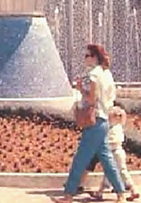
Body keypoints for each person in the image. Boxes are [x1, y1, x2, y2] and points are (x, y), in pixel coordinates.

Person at [53, 44, 126, 203]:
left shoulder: (93, 75)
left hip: (94, 121)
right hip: (104, 120)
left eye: (87, 55)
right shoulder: (106, 73)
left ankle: (68, 195)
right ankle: (121, 194)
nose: (84, 58)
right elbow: (109, 97)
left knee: (80, 159)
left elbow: (92, 99)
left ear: (94, 57)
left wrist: (80, 89)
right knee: (107, 159)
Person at [88, 106, 140, 201]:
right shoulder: (119, 127)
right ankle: (100, 192)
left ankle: (130, 190)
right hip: (119, 152)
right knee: (118, 172)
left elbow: (110, 142)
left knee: (112, 172)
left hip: (113, 152)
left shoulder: (111, 129)